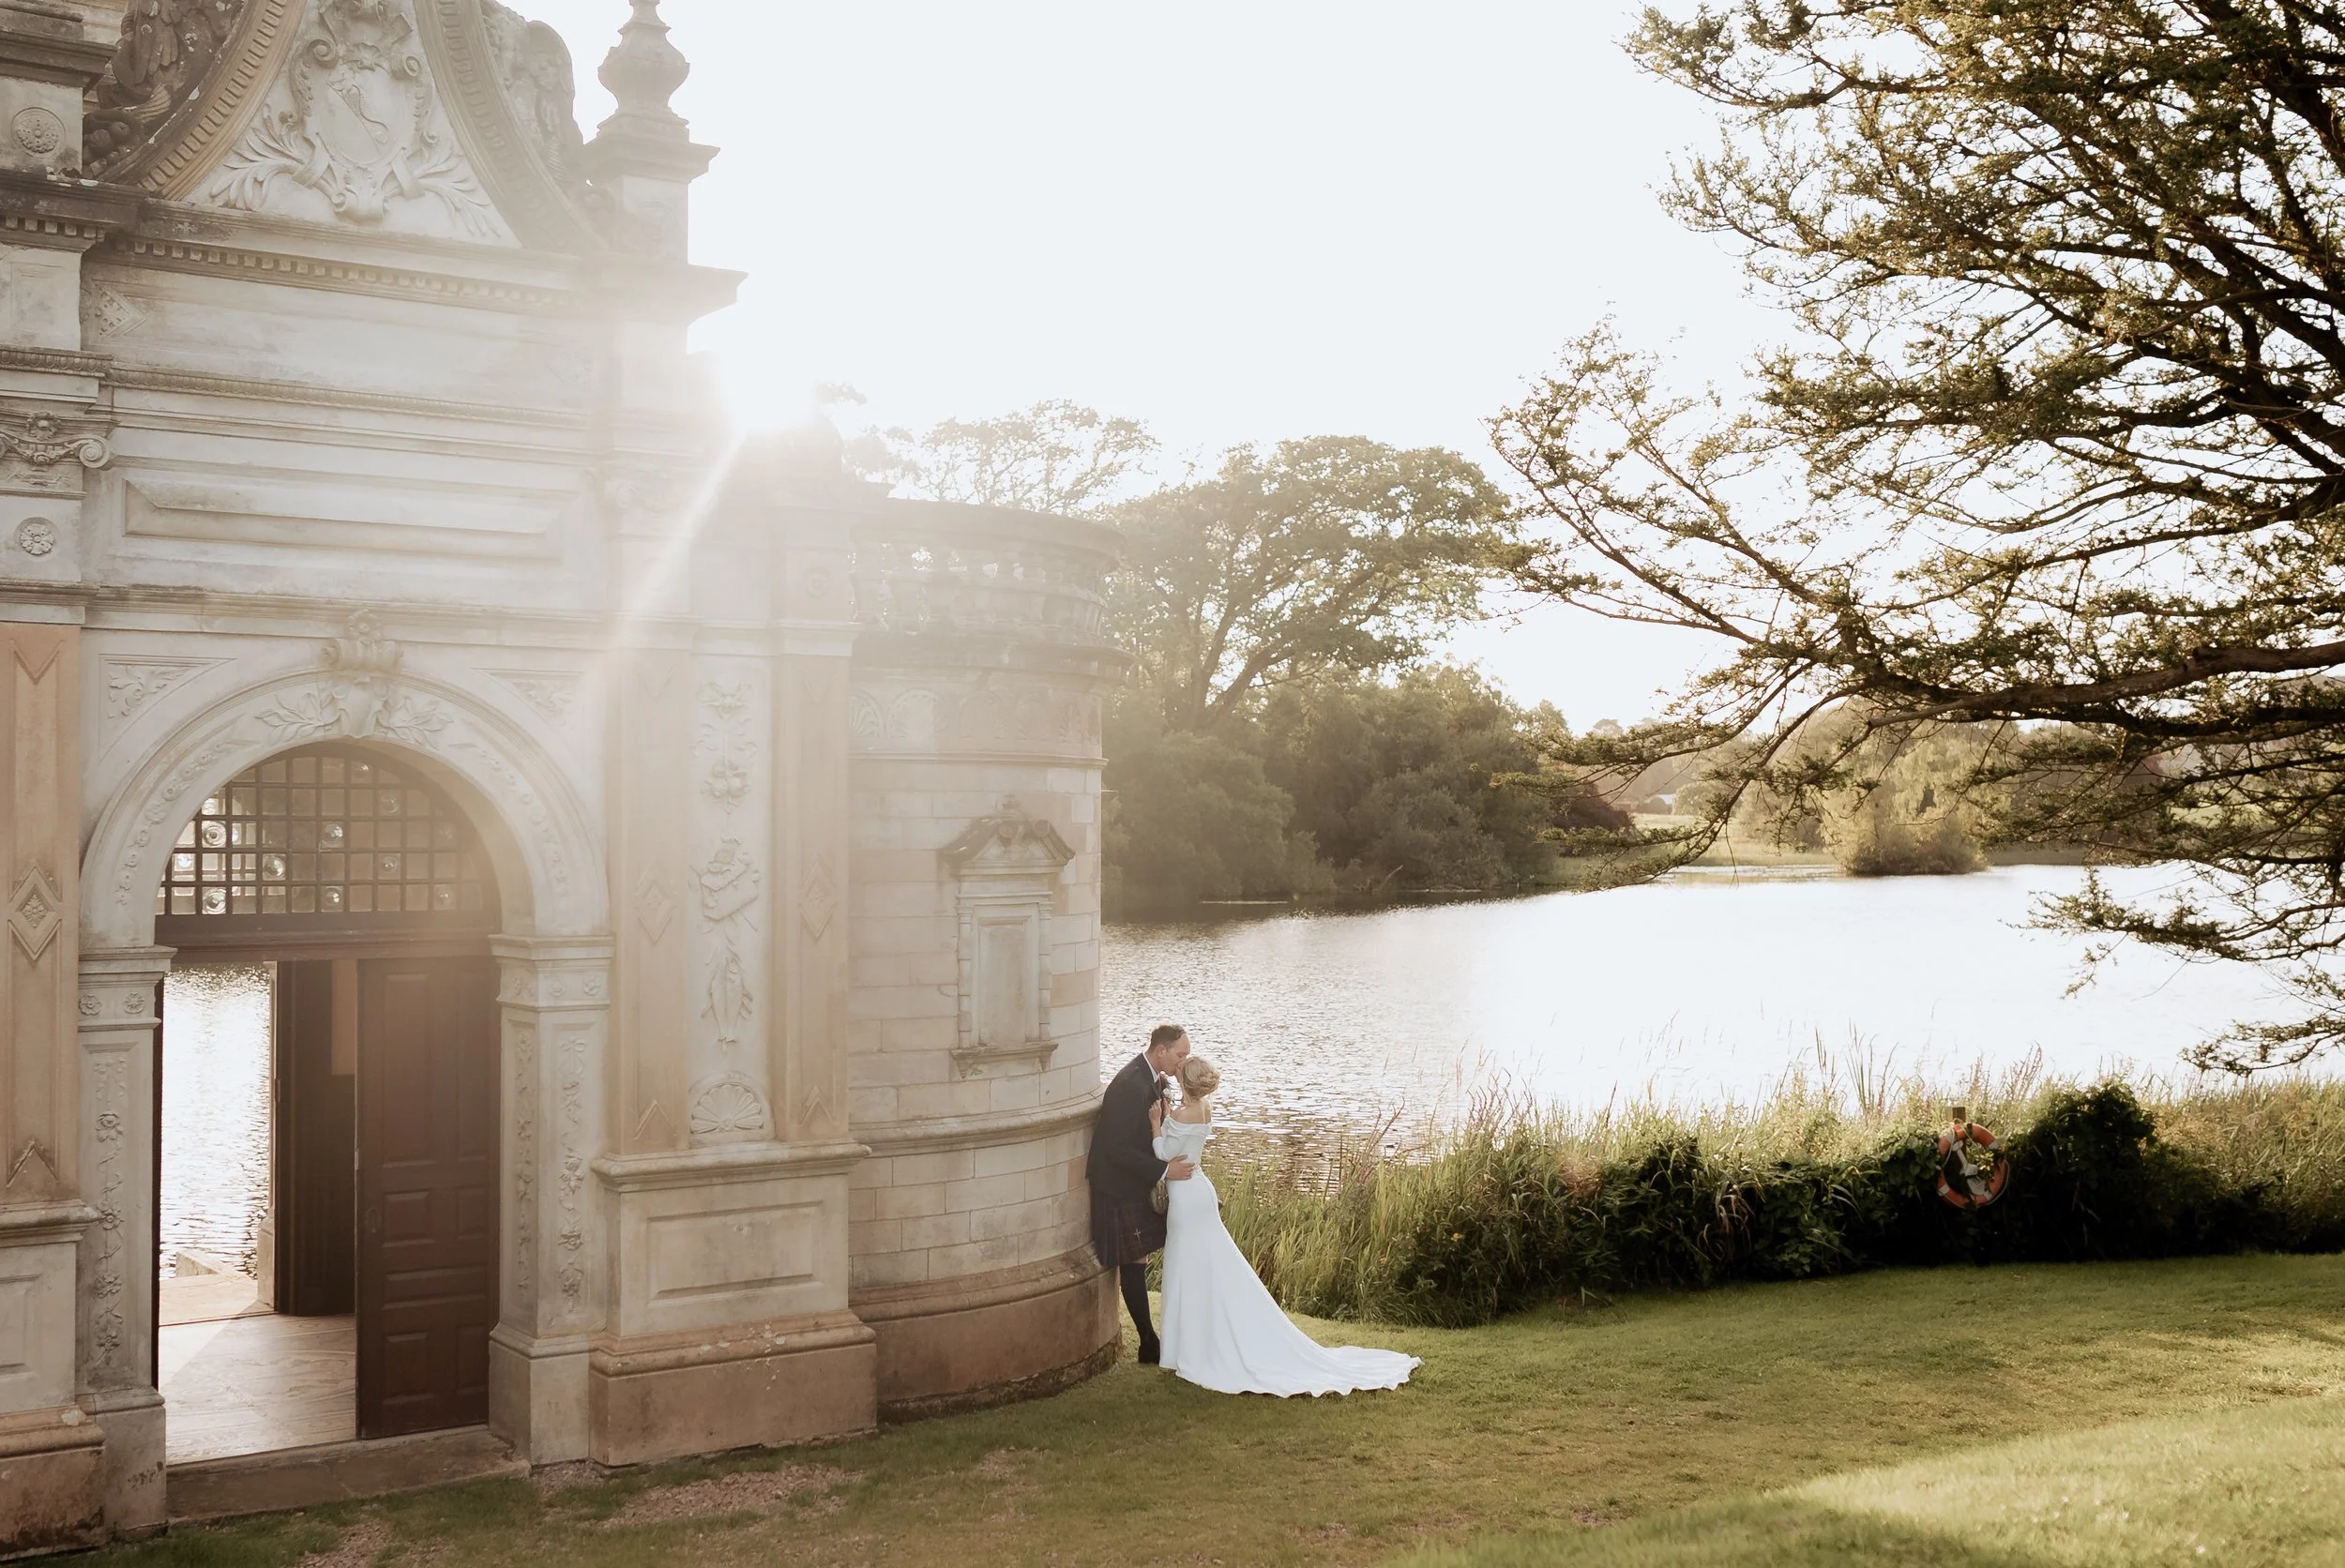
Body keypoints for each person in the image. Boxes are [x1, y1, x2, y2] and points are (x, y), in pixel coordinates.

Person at [1151, 1052, 1420, 1396]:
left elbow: (1161, 1153)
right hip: (1201, 1191)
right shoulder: (1204, 1109)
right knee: (1209, 1266)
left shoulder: (1180, 1114)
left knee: (1186, 1268)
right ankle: (1196, 1343)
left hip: (1187, 1198)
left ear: (1183, 1083)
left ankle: (1186, 1350)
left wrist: (1156, 1123)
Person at [1086, 1022, 1195, 1363]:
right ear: (1160, 1050)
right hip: (1117, 1184)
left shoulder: (1153, 1077)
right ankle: (1149, 1343)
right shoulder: (1129, 1085)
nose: (1183, 1061)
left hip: (1133, 1179)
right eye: (1180, 1054)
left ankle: (1151, 1342)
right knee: (1133, 1259)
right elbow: (1116, 1148)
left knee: (1141, 1256)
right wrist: (1165, 1170)